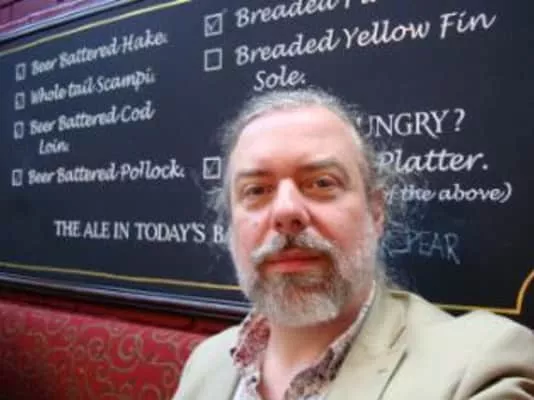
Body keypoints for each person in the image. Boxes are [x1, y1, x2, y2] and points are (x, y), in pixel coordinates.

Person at [173, 88, 534, 400]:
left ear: (376, 212)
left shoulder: (480, 366)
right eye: (256, 190)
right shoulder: (206, 363)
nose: (285, 211)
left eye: (321, 183)